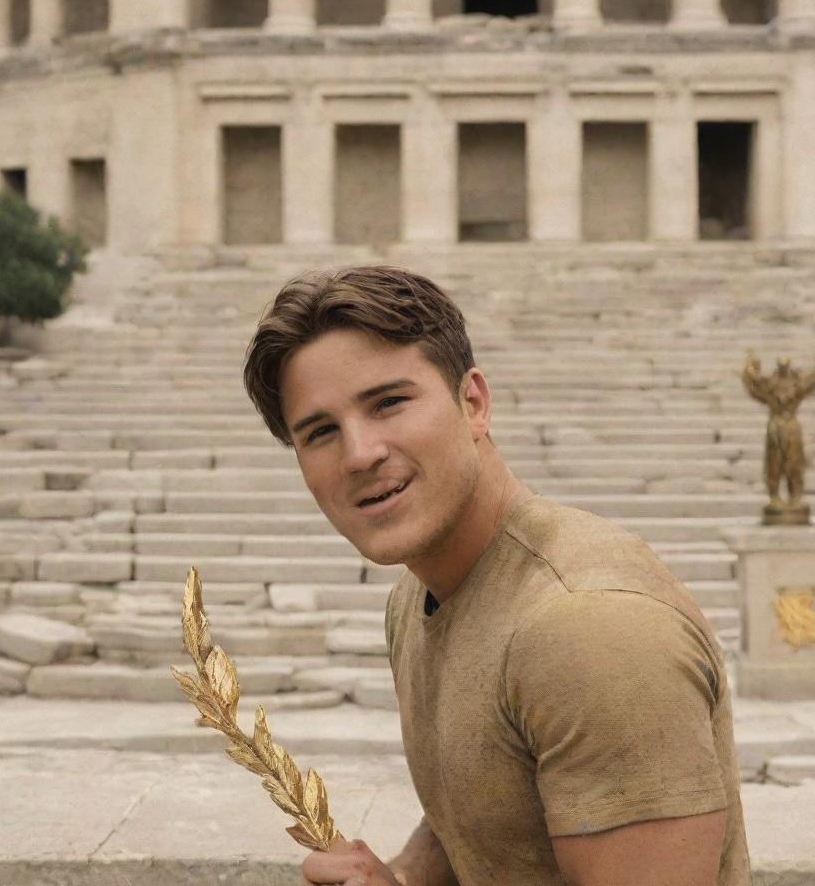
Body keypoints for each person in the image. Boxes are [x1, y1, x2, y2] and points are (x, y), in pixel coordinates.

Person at [243, 265, 751, 886]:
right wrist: (401, 878)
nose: (360, 454)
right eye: (320, 432)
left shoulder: (589, 628)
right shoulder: (419, 596)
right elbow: (492, 806)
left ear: (473, 403)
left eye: (389, 403)